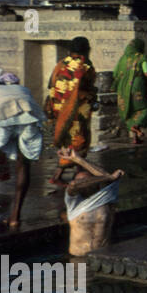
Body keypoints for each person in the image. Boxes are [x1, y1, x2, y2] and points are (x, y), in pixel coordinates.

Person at [0, 57, 44, 230]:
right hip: (28, 112)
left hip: (2, 113)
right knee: (23, 164)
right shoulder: (11, 86)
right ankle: (15, 218)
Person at [45, 36, 97, 186]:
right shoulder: (85, 66)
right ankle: (58, 175)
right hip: (77, 110)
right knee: (78, 141)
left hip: (60, 110)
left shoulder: (61, 64)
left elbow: (51, 84)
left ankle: (78, 173)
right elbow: (85, 88)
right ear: (86, 50)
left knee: (68, 140)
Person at [59, 147, 125, 256]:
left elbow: (109, 176)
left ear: (96, 184)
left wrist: (79, 159)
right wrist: (108, 177)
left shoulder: (106, 197)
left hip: (104, 257)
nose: (84, 184)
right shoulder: (73, 203)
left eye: (87, 181)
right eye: (81, 181)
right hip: (78, 258)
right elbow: (74, 185)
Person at [112, 39, 147, 145]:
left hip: (123, 88)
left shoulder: (123, 59)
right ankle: (137, 125)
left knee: (129, 110)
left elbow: (115, 73)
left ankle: (135, 136)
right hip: (137, 86)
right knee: (145, 108)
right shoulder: (142, 57)